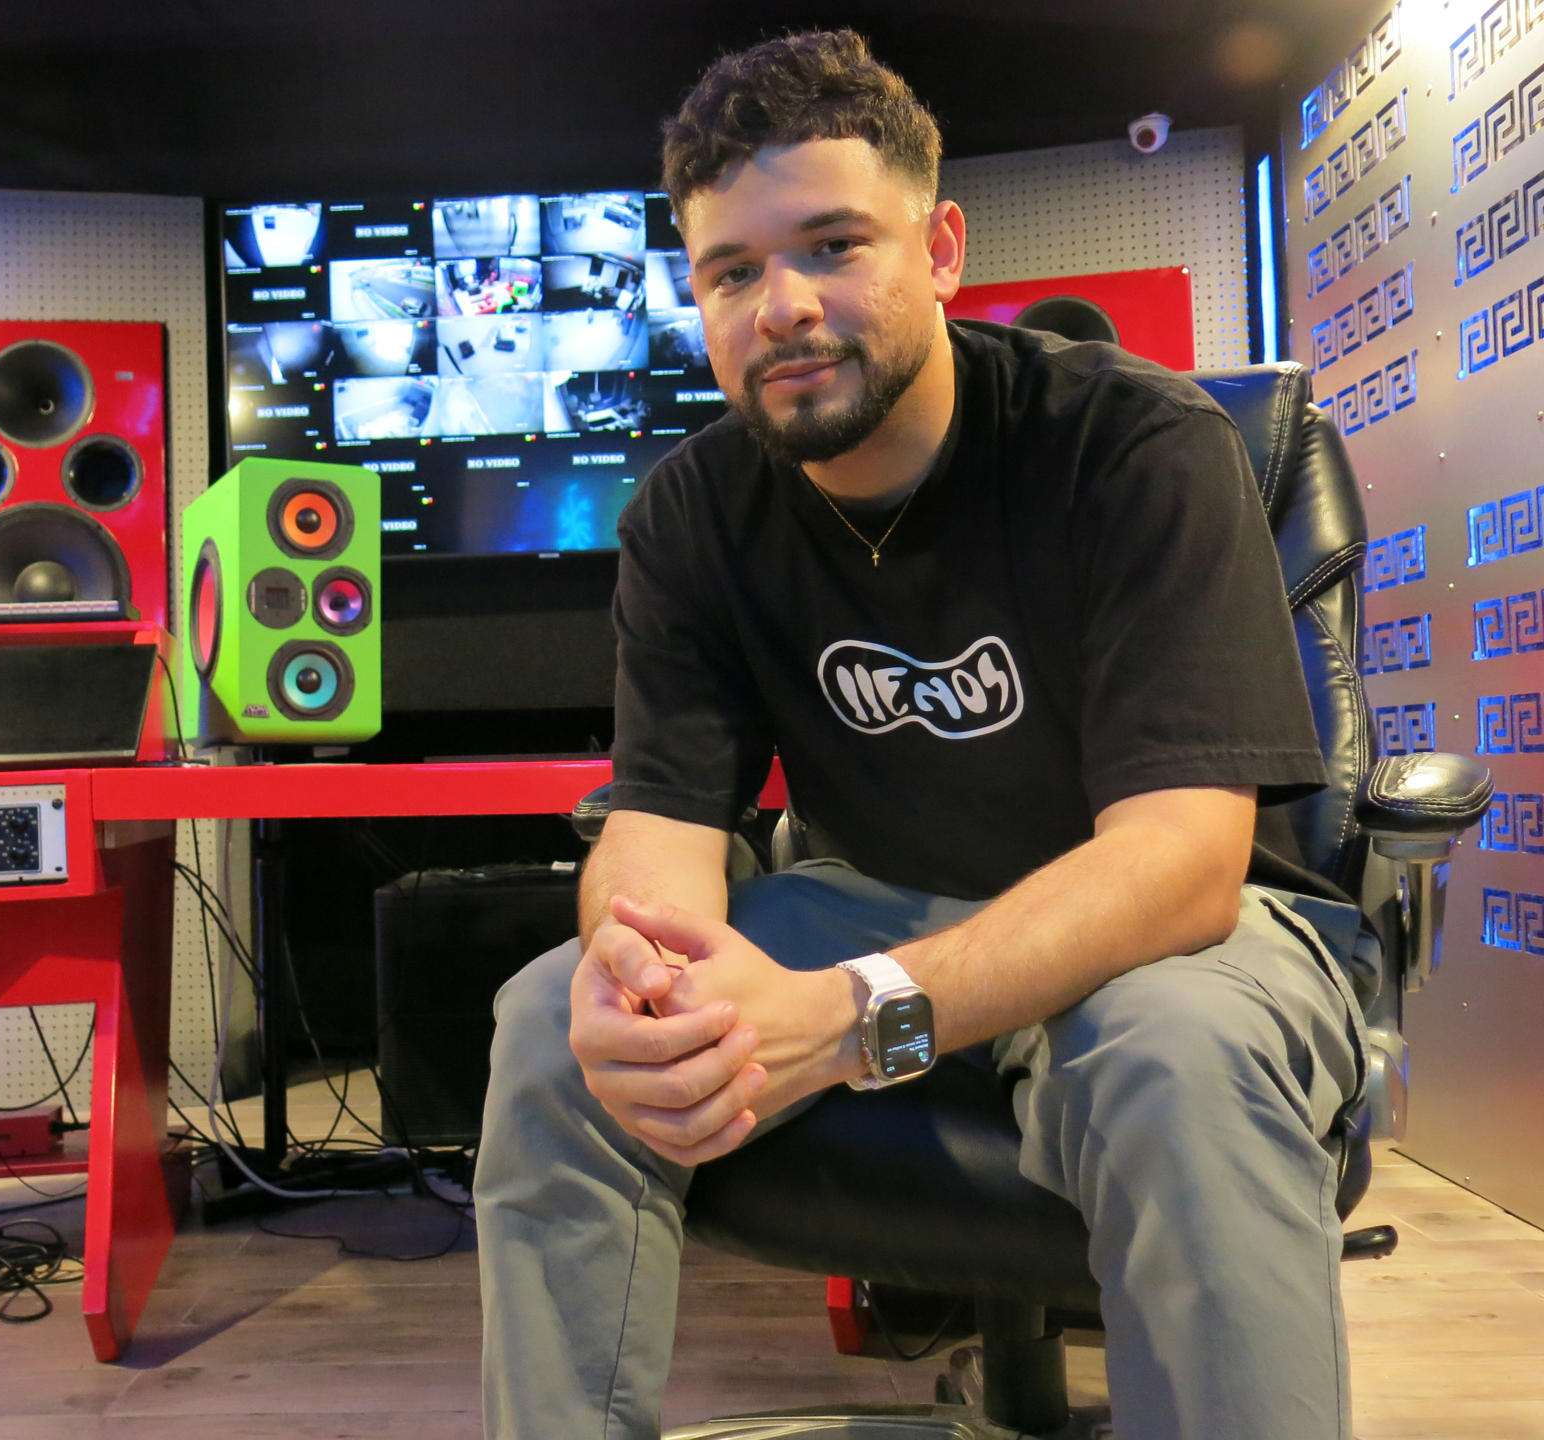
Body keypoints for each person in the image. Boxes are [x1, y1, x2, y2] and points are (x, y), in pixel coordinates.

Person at [474, 28, 1369, 1440]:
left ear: (942, 248)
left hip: (1174, 936)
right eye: (732, 270)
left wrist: (849, 1015)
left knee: (1172, 1062)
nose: (781, 305)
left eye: (833, 245)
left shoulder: (1138, 446)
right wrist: (633, 965)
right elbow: (661, 825)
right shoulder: (690, 516)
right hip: (878, 900)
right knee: (550, 1024)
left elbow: (1185, 863)